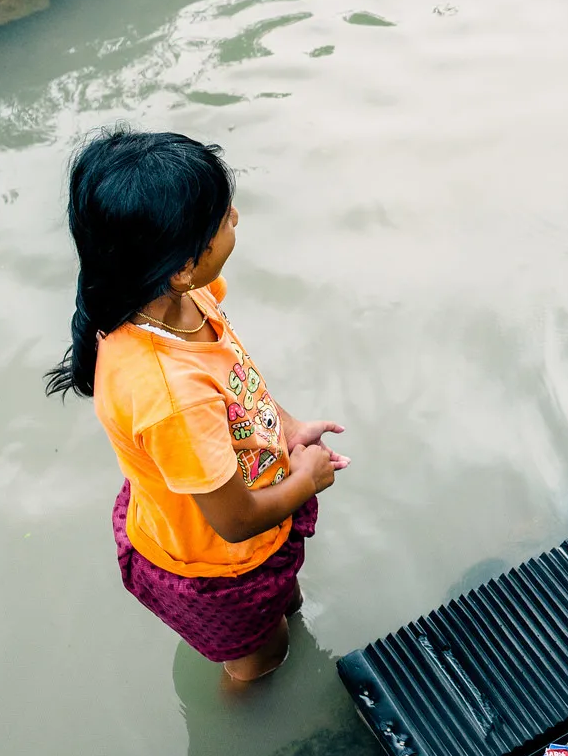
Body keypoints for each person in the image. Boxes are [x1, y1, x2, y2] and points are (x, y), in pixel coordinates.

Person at [47, 129, 348, 683]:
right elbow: (233, 522)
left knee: (285, 610)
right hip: (215, 568)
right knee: (262, 660)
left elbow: (235, 377)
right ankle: (260, 754)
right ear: (183, 264)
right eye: (221, 220)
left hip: (242, 526)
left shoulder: (178, 297)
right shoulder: (168, 395)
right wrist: (307, 480)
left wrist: (286, 427)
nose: (235, 216)